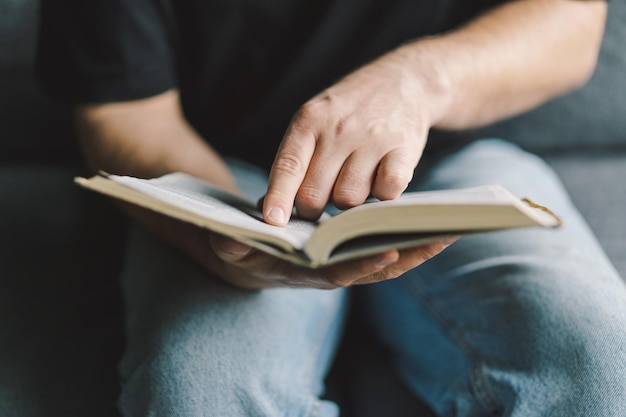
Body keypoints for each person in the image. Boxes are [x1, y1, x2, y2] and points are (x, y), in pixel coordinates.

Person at [37, 0, 626, 416]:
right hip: (224, 175)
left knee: (603, 366)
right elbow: (124, 113)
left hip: (453, 158)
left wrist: (419, 81)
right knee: (198, 393)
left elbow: (572, 20)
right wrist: (222, 242)